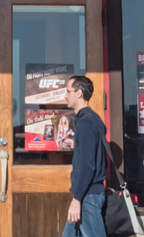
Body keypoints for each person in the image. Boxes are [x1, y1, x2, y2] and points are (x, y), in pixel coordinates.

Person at [62, 76, 108, 237]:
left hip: (88, 197)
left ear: (79, 93)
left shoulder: (86, 122)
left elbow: (87, 166)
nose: (65, 95)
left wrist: (77, 199)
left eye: (68, 91)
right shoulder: (93, 119)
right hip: (87, 196)